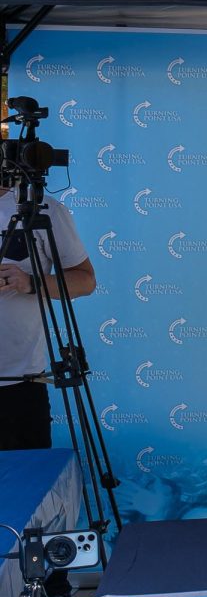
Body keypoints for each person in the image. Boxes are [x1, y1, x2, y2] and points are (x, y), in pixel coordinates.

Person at [0, 184, 97, 451]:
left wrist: (31, 282)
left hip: (18, 386)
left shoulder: (42, 210)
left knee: (26, 487)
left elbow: (85, 280)